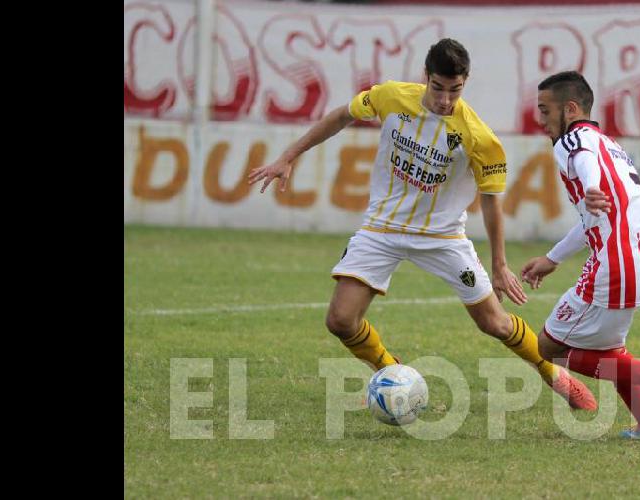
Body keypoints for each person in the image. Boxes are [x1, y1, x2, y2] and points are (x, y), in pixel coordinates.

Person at [248, 39, 595, 411]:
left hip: (443, 237)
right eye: (439, 88)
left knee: (495, 323)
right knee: (340, 320)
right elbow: (341, 116)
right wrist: (289, 156)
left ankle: (556, 377)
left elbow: (492, 202)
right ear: (425, 77)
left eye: (455, 90)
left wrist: (499, 265)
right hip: (382, 229)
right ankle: (392, 374)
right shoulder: (391, 97)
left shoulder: (479, 138)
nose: (446, 100)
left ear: (465, 83)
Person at [521, 70, 640, 438]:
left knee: (549, 346)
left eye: (545, 111)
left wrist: (590, 186)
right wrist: (553, 258)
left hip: (616, 260)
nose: (541, 120)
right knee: (609, 349)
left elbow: (584, 160)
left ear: (571, 109)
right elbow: (593, 215)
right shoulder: (609, 144)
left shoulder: (573, 140)